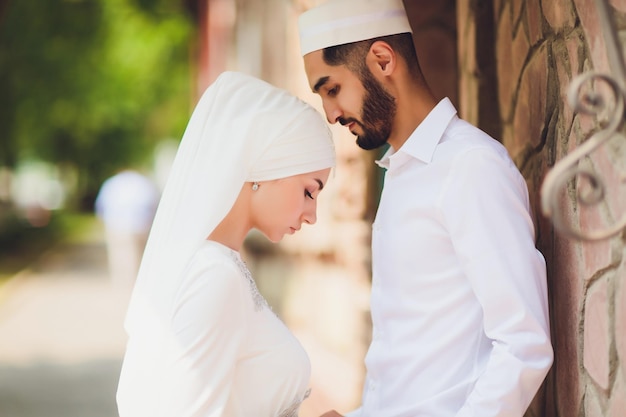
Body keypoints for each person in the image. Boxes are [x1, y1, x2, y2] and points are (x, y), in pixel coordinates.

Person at [298, 1, 554, 416]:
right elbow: (414, 368)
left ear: (382, 60)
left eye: (332, 90)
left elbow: (523, 345)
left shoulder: (470, 166)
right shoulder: (400, 174)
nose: (330, 114)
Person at [116, 71, 336, 417]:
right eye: (309, 190)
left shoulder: (217, 265)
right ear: (265, 170)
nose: (313, 215)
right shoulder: (215, 275)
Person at [95, 169, 160, 286]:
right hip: (140, 226)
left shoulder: (111, 184)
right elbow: (153, 205)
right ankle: (136, 283)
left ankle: (122, 282)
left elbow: (101, 207)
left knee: (118, 256)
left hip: (117, 226)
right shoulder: (144, 183)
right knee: (138, 257)